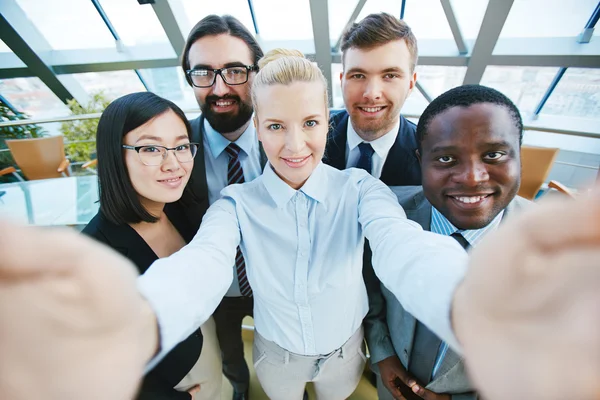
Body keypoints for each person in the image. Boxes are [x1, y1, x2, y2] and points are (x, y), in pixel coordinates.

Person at [136, 48, 468, 400]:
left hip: (345, 353)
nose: (295, 146)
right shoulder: (235, 203)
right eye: (277, 126)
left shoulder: (361, 189)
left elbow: (398, 242)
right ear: (258, 128)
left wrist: (455, 290)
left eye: (310, 123)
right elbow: (206, 260)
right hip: (277, 356)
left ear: (328, 121)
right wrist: (151, 310)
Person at [370, 85, 531, 400]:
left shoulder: (561, 252)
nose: (472, 177)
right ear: (421, 161)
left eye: (493, 154)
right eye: (446, 158)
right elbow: (371, 290)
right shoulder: (389, 215)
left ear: (519, 154)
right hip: (391, 384)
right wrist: (383, 355)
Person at [81, 92, 221, 399]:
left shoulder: (179, 208)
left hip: (204, 350)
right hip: (177, 381)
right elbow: (88, 369)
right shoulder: (94, 257)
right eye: (151, 148)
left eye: (182, 146)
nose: (173, 164)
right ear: (114, 156)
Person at [180, 14, 267, 400]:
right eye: (203, 73)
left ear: (257, 73)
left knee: (287, 362)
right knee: (232, 363)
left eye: (234, 71)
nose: (219, 88)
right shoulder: (175, 147)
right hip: (213, 294)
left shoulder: (289, 134)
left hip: (279, 287)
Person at [325, 13, 420, 186]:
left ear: (411, 84)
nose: (371, 93)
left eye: (390, 75)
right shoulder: (309, 136)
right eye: (359, 75)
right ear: (342, 81)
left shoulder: (429, 157)